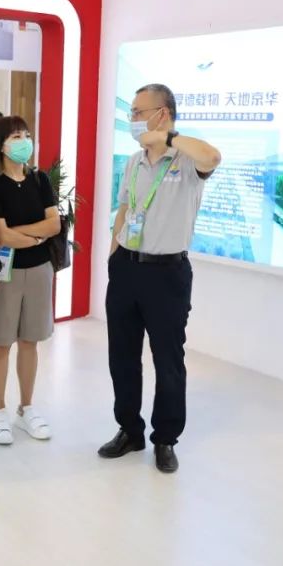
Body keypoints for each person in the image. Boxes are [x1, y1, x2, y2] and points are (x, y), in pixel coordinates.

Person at [100, 83, 221, 474]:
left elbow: (213, 156)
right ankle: (129, 429)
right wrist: (114, 255)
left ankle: (165, 438)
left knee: (168, 360)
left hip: (167, 273)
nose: (132, 119)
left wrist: (168, 139)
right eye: (132, 112)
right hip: (126, 267)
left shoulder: (186, 161)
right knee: (122, 355)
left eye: (138, 112)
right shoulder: (134, 161)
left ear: (162, 114)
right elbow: (124, 209)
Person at [0, 116, 60, 445]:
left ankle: (26, 408)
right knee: (1, 342)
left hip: (40, 269)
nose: (24, 141)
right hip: (5, 271)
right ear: (1, 143)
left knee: (30, 340)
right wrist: (35, 235)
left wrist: (20, 234)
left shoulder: (39, 179)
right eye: (16, 136)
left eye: (26, 135)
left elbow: (54, 225)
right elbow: (0, 235)